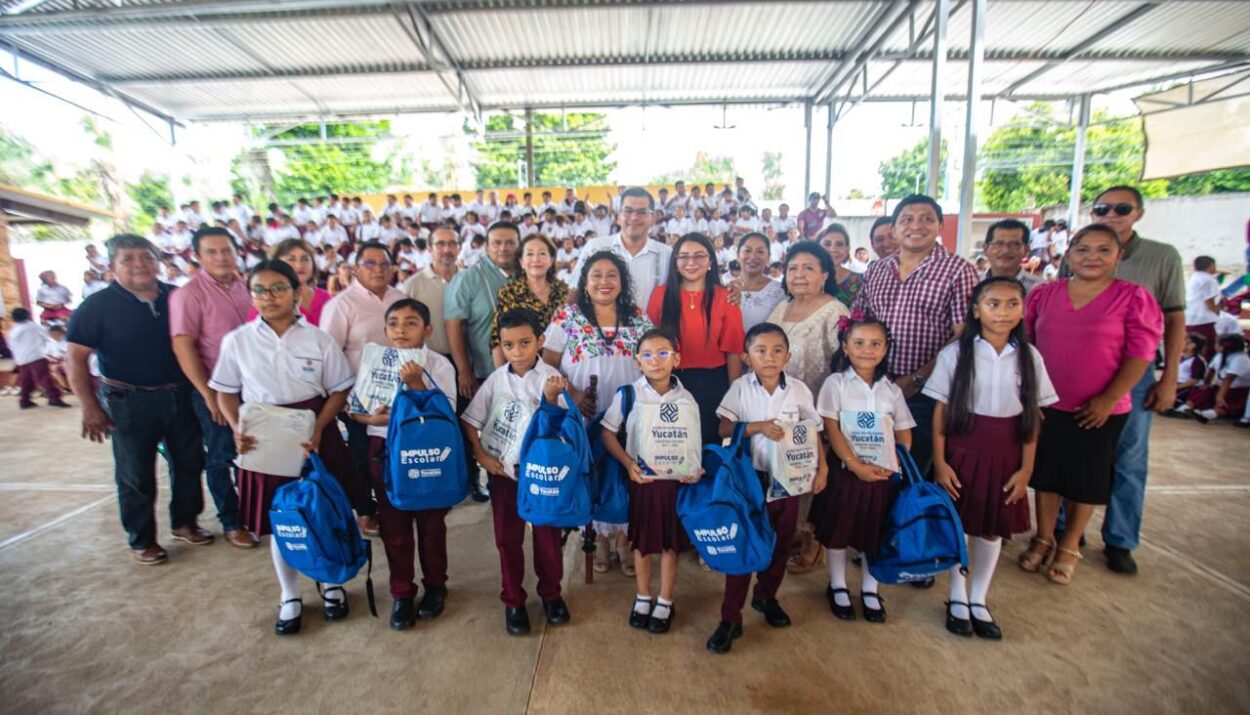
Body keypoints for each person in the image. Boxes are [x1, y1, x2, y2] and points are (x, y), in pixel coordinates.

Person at [210, 260, 357, 635]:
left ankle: (331, 583)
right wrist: (236, 426)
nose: (268, 296)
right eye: (259, 289)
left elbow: (339, 388)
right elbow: (225, 391)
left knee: (323, 510)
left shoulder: (319, 339)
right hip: (262, 437)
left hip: (311, 430)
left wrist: (321, 426)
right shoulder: (238, 341)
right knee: (282, 521)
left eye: (278, 288)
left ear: (296, 292)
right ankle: (289, 593)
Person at [1023, 224, 1163, 585]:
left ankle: (1069, 544)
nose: (1092, 257)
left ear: (1119, 256)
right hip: (1048, 403)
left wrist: (1109, 397)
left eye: (1103, 250)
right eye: (1083, 249)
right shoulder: (1045, 295)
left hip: (1099, 407)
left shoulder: (1132, 298)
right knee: (1047, 474)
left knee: (1086, 477)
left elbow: (1140, 353)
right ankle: (1044, 536)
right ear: (1069, 254)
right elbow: (1028, 344)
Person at [926, 277, 1058, 639]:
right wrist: (940, 462)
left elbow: (1032, 417)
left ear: (1023, 309)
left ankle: (979, 598)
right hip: (963, 448)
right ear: (976, 310)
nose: (1003, 312)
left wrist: (1027, 467)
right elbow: (941, 412)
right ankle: (956, 596)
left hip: (1006, 452)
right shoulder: (956, 353)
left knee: (991, 528)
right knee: (961, 524)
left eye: (1012, 303)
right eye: (993, 304)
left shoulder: (1030, 357)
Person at [66, 234, 207, 565]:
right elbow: (74, 360)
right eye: (127, 259)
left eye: (146, 257)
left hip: (181, 394)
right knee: (135, 474)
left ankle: (186, 522)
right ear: (112, 266)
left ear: (157, 261)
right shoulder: (96, 306)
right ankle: (142, 539)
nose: (139, 264)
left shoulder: (176, 297)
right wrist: (90, 406)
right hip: (127, 401)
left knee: (189, 463)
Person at [1077, 186, 1186, 576]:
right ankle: (1067, 531)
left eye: (1122, 208)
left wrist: (1169, 377)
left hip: (1134, 376)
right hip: (1078, 372)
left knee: (1128, 459)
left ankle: (1120, 539)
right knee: (1075, 452)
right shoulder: (1078, 253)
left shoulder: (1161, 256)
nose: (1112, 214)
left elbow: (1174, 320)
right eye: (1103, 208)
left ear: (1138, 213)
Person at [708, 322, 828, 654]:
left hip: (789, 481)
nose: (769, 357)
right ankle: (730, 617)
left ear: (788, 356)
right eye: (761, 351)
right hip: (751, 480)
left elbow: (813, 431)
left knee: (779, 543)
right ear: (747, 357)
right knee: (745, 546)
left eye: (777, 351)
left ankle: (766, 597)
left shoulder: (800, 390)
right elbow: (723, 427)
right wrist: (757, 427)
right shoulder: (740, 389)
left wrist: (823, 468)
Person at [348, 299, 458, 630]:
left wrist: (417, 384)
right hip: (384, 447)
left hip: (427, 448)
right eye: (394, 323)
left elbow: (447, 411)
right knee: (393, 524)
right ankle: (402, 592)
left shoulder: (438, 364)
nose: (401, 329)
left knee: (431, 523)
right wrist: (374, 417)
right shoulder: (375, 361)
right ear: (384, 330)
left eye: (411, 323)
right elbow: (355, 410)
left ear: (427, 329)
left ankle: (436, 585)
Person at [543, 252, 655, 575]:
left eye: (612, 275)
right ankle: (598, 539)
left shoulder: (636, 317)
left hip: (627, 412)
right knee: (591, 473)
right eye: (596, 275)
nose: (604, 282)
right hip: (585, 412)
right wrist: (574, 395)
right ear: (585, 281)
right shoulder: (568, 317)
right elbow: (548, 363)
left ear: (622, 281)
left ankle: (623, 537)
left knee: (622, 473)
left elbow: (649, 359)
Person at [462, 309, 572, 636]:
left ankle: (551, 595)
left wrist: (552, 400)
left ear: (539, 341)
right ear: (501, 347)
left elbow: (566, 430)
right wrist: (482, 456)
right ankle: (514, 601)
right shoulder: (497, 380)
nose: (518, 352)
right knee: (507, 538)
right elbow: (471, 421)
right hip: (502, 474)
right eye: (509, 345)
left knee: (548, 537)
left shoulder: (551, 377)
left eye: (525, 343)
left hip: (541, 476)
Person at [853, 194, 978, 478]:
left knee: (914, 467)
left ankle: (911, 522)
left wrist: (918, 377)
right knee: (875, 464)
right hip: (876, 384)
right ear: (895, 229)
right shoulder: (877, 270)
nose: (916, 225)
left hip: (926, 392)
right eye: (907, 219)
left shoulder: (958, 270)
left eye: (926, 219)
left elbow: (963, 335)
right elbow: (858, 318)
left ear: (939, 226)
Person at [599, 328, 700, 635]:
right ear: (637, 362)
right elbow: (607, 434)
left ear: (676, 359)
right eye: (647, 355)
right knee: (641, 543)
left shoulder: (687, 398)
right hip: (641, 483)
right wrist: (628, 463)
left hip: (674, 486)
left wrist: (694, 469)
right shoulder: (628, 395)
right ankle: (643, 596)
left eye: (662, 354)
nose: (655, 361)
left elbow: (693, 439)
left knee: (670, 545)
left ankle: (666, 600)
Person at [814, 316, 915, 623]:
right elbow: (830, 426)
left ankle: (871, 588)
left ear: (886, 349)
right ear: (845, 347)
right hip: (846, 471)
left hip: (882, 476)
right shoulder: (836, 383)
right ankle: (838, 584)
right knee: (839, 528)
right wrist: (855, 464)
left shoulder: (891, 390)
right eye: (858, 343)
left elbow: (903, 429)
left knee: (875, 531)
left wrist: (894, 463)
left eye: (875, 344)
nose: (867, 350)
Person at [169, 227, 255, 549]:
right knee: (222, 455)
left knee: (254, 449)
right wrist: (208, 395)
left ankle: (255, 512)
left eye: (226, 251)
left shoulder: (248, 288)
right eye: (212, 252)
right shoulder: (188, 295)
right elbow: (183, 346)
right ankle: (232, 521)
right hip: (216, 389)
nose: (221, 257)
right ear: (197, 256)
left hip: (256, 387)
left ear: (236, 252)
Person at [322, 241, 408, 535]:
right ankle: (365, 510)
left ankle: (398, 502)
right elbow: (329, 354)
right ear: (356, 269)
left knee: (396, 451)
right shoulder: (341, 305)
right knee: (362, 455)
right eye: (370, 264)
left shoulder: (400, 297)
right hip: (358, 397)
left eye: (384, 264)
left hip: (399, 393)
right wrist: (341, 399)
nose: (378, 270)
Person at [647, 233, 745, 445]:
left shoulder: (725, 297)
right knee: (671, 448)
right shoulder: (660, 295)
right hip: (669, 382)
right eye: (684, 256)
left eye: (699, 256)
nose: (691, 262)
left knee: (707, 447)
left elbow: (733, 349)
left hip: (712, 385)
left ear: (710, 261)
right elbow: (650, 344)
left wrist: (734, 397)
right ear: (675, 262)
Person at [446, 221, 520, 500]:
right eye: (497, 242)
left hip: (521, 372)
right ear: (486, 246)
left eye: (510, 242)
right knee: (484, 433)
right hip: (482, 372)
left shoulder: (525, 274)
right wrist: (463, 370)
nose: (504, 248)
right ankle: (484, 481)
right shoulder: (469, 278)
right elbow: (453, 324)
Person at [572, 187, 671, 310]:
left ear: (653, 219)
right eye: (628, 211)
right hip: (602, 327)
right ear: (618, 217)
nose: (634, 217)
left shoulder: (667, 254)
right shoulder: (596, 247)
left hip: (651, 328)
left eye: (642, 212)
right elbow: (575, 289)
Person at [491, 234, 569, 367]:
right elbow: (497, 338)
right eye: (530, 254)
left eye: (542, 253)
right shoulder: (510, 292)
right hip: (523, 370)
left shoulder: (563, 291)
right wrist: (502, 379)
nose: (536, 259)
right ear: (521, 261)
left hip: (559, 369)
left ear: (551, 260)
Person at [8, 307, 70, 409]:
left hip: (21, 359)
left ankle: (25, 400)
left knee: (26, 380)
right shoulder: (35, 327)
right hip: (36, 356)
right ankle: (55, 399)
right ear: (27, 316)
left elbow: (11, 345)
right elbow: (46, 338)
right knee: (45, 378)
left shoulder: (13, 331)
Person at [263, 238, 333, 326]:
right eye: (291, 259)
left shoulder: (325, 298)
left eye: (305, 259)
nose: (299, 265)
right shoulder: (267, 302)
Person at [1183, 334, 1250, 424]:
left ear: (1223, 346)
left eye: (1216, 343)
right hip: (1220, 388)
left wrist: (1220, 396)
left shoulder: (1240, 358)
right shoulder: (1219, 355)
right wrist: (1206, 384)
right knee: (1201, 392)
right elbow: (1211, 371)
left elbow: (1228, 379)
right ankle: (1185, 409)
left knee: (1227, 403)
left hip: (1236, 391)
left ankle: (1209, 414)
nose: (1215, 345)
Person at [732, 233, 786, 332]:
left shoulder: (780, 292)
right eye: (747, 251)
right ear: (738, 255)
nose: (753, 256)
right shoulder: (725, 289)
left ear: (768, 257)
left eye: (760, 252)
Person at [982, 219, 1043, 293]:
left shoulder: (1040, 289)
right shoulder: (972, 283)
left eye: (1015, 244)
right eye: (999, 244)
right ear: (986, 248)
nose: (1005, 250)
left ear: (1026, 250)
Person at [816, 224, 863, 308]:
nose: (833, 249)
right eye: (827, 244)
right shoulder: (806, 280)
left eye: (839, 244)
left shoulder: (860, 281)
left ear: (847, 249)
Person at [1185, 255, 1222, 360]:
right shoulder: (1209, 280)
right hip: (1203, 319)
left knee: (1191, 345)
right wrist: (1217, 312)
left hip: (1190, 318)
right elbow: (1209, 301)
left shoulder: (1193, 278)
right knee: (1208, 346)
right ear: (1211, 266)